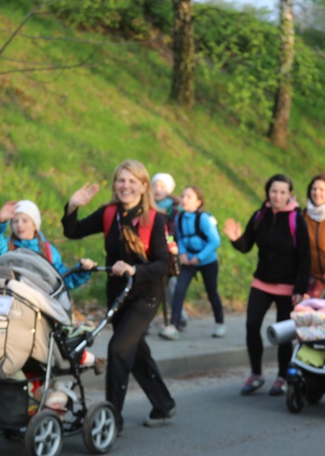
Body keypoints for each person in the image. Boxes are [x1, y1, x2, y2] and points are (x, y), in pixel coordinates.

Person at [62, 159, 176, 431]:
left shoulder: (155, 219)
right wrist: (73, 205)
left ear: (143, 185)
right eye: (121, 180)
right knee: (134, 351)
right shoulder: (109, 213)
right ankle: (164, 403)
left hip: (147, 293)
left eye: (132, 181)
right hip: (118, 293)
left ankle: (113, 417)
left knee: (118, 348)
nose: (125, 186)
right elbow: (72, 231)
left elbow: (164, 264)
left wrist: (133, 269)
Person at [224, 174, 310, 396]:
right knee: (252, 325)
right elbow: (247, 245)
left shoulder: (296, 219)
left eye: (282, 192)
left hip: (288, 286)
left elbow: (304, 257)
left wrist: (300, 289)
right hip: (261, 282)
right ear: (268, 193)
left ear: (290, 194)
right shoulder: (260, 215)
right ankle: (256, 374)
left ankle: (282, 376)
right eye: (274, 191)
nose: (277, 196)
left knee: (283, 334)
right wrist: (236, 239)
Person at [160, 185, 225, 340]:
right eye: (183, 196)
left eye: (189, 197)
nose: (184, 199)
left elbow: (215, 241)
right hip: (188, 260)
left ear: (198, 202)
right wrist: (182, 254)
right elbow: (180, 238)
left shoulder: (204, 218)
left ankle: (220, 322)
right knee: (179, 290)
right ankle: (173, 325)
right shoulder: (179, 217)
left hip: (207, 261)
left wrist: (199, 257)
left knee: (211, 291)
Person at [0, 199, 96, 289]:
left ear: (35, 225)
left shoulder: (48, 251)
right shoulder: (8, 247)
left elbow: (63, 279)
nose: (19, 225)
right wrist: (0, 221)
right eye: (15, 221)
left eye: (25, 221)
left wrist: (82, 270)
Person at [151, 172, 187, 328]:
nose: (158, 189)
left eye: (162, 187)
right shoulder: (148, 205)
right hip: (151, 250)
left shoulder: (175, 208)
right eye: (155, 186)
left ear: (169, 189)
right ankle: (146, 322)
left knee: (170, 285)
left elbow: (179, 230)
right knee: (150, 285)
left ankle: (179, 315)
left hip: (170, 252)